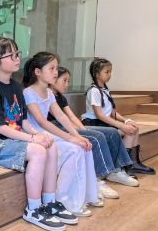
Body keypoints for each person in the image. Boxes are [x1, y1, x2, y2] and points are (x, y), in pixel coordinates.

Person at [0, 38, 77, 231]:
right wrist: (33, 139)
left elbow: (23, 122)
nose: (17, 58)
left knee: (50, 145)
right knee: (38, 151)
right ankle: (33, 209)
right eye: (11, 55)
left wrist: (39, 135)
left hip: (10, 139)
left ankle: (49, 202)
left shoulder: (15, 87)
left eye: (17, 54)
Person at [22, 52, 101, 214]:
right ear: (37, 72)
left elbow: (61, 116)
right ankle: (65, 201)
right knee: (74, 150)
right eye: (51, 68)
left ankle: (85, 196)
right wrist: (70, 138)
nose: (55, 72)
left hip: (47, 132)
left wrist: (78, 136)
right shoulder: (28, 92)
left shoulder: (49, 93)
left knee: (84, 146)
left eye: (56, 68)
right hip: (36, 135)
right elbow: (42, 122)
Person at [49, 66, 139, 196]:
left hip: (69, 126)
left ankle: (116, 171)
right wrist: (78, 131)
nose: (67, 84)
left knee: (112, 132)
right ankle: (97, 178)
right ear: (53, 79)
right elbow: (61, 119)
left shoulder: (60, 97)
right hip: (57, 128)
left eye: (68, 81)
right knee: (97, 137)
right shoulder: (48, 95)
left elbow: (72, 117)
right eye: (64, 80)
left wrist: (83, 129)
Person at [82, 58, 155, 175]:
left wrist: (126, 121)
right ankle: (124, 165)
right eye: (106, 72)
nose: (109, 75)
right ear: (96, 74)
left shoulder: (104, 89)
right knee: (128, 131)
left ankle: (134, 163)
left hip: (104, 122)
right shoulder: (94, 91)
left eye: (110, 71)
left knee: (134, 128)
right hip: (94, 122)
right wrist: (121, 126)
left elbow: (112, 113)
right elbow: (99, 115)